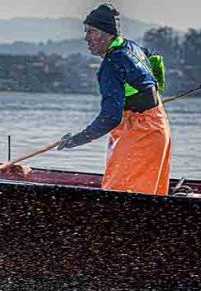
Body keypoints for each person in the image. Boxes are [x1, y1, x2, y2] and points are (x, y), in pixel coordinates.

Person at [59, 4, 172, 195]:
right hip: (157, 126)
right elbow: (155, 60)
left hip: (140, 133)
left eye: (91, 31)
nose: (86, 38)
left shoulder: (111, 64)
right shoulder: (131, 46)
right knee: (148, 193)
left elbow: (111, 117)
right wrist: (155, 94)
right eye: (86, 31)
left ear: (108, 34)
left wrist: (76, 140)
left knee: (120, 193)